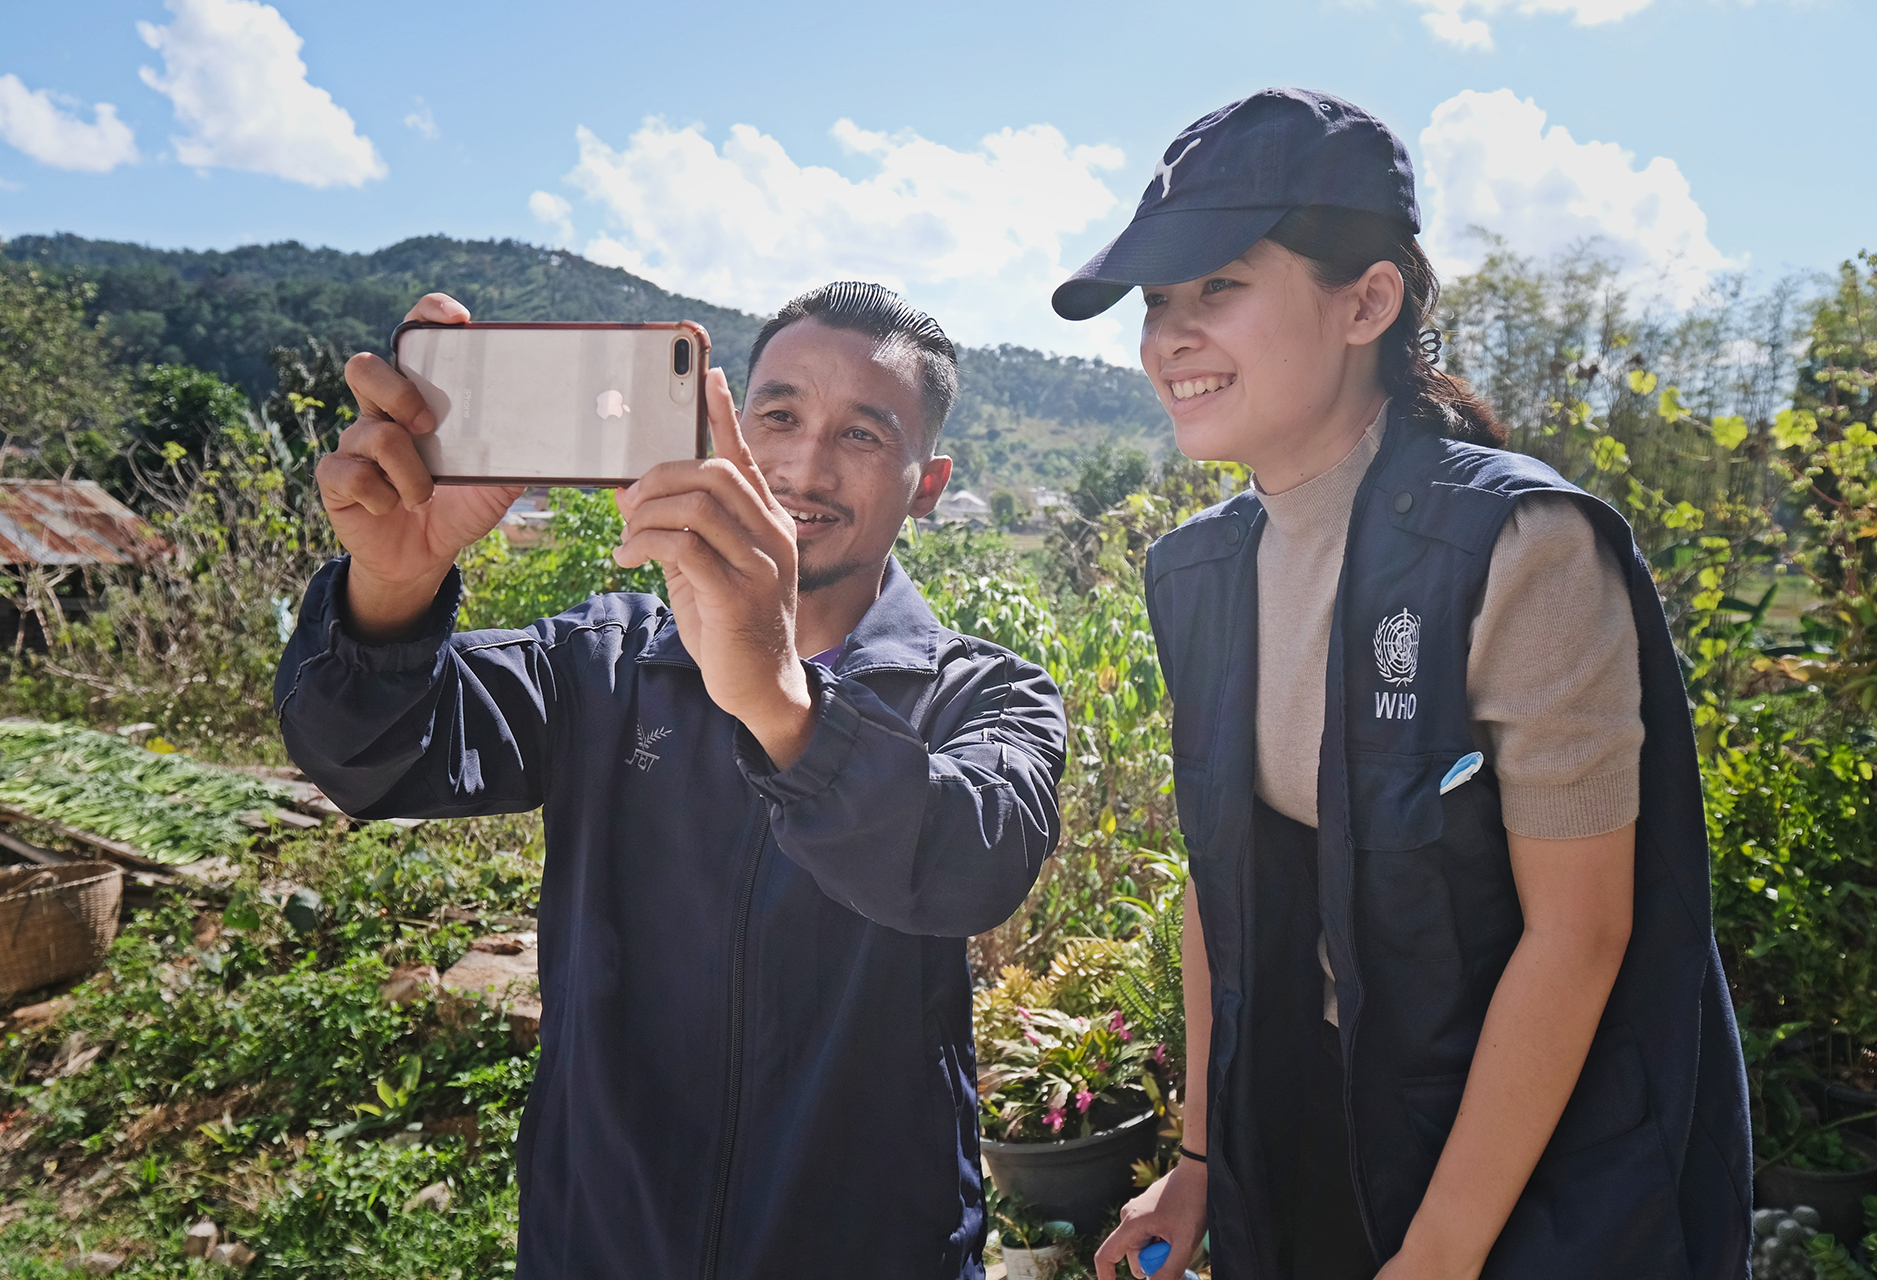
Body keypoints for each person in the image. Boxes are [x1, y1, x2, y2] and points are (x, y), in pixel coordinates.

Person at [1051, 90, 1751, 1280]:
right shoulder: (1202, 571)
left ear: (1366, 300)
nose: (1167, 338)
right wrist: (1203, 1158)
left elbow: (1579, 935)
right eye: (1156, 303)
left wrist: (1438, 1253)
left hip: (1524, 1158)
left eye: (1217, 286)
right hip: (1308, 1128)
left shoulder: (1518, 549)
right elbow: (1223, 887)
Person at [275, 282, 1068, 1279]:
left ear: (927, 481)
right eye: (778, 415)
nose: (803, 465)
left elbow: (968, 862)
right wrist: (392, 585)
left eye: (863, 436)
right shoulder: (608, 659)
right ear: (725, 424)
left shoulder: (986, 693)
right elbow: (372, 753)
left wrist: (781, 701)